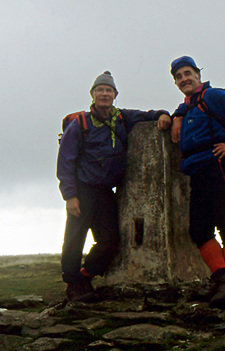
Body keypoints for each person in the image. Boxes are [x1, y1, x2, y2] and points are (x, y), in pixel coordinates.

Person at [57, 71, 171, 302]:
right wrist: (70, 196)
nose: (104, 94)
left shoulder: (121, 118)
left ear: (115, 95)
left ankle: (85, 275)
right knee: (74, 239)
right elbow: (65, 160)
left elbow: (146, 115)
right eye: (100, 90)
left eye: (108, 90)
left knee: (110, 240)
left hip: (106, 192)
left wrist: (164, 114)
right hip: (82, 189)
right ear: (92, 94)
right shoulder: (80, 123)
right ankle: (72, 284)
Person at [169, 56, 225, 308]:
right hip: (199, 170)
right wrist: (176, 116)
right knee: (198, 229)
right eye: (179, 76)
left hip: (221, 166)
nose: (184, 79)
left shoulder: (213, 96)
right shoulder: (190, 104)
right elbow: (184, 109)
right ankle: (224, 280)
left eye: (188, 73)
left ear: (198, 75)